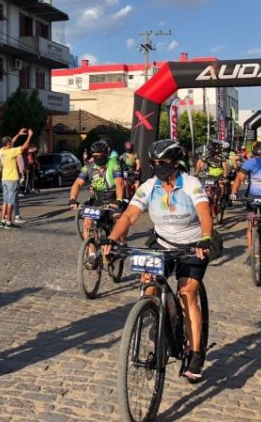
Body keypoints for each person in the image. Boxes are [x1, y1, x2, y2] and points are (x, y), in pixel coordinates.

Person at [108, 139, 214, 380]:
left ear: (175, 163)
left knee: (187, 295)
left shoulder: (191, 184)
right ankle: (158, 316)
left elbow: (205, 213)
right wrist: (112, 240)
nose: (158, 167)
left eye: (163, 163)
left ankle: (196, 354)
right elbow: (129, 216)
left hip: (192, 245)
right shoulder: (148, 186)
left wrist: (206, 238)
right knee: (148, 285)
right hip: (162, 242)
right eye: (154, 163)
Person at [68, 141, 125, 264]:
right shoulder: (88, 167)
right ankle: (92, 253)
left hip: (113, 199)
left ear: (106, 155)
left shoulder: (113, 164)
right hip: (97, 200)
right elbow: (77, 183)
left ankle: (120, 243)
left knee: (118, 219)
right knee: (87, 223)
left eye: (101, 156)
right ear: (92, 156)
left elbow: (119, 182)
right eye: (95, 156)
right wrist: (72, 199)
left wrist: (119, 199)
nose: (98, 158)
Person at [0, 129, 32, 229]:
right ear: (8, 144)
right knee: (11, 202)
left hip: (4, 178)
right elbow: (24, 147)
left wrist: (18, 134)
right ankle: (8, 221)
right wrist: (29, 135)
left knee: (5, 201)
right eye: (11, 142)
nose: (12, 143)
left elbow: (11, 141)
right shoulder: (11, 151)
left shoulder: (2, 151)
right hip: (12, 179)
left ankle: (3, 220)